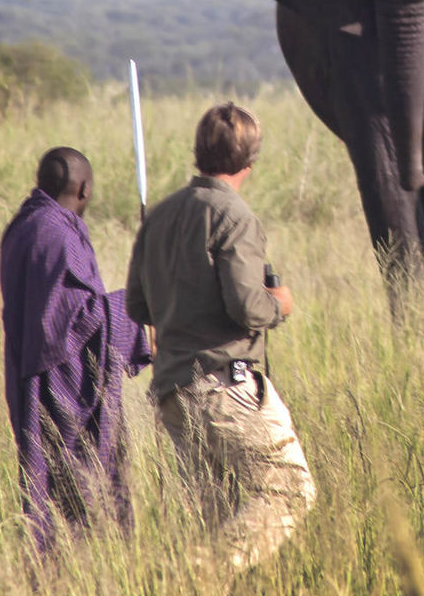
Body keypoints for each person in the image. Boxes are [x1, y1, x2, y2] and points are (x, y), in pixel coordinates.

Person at [125, 102, 315, 574]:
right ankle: (196, 571)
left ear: (197, 152)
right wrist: (282, 304)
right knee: (287, 490)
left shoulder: (160, 217)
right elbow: (248, 307)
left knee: (214, 514)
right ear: (250, 161)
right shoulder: (234, 216)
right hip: (225, 388)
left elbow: (138, 307)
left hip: (174, 392)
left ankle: (198, 573)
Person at [0, 146, 151, 554]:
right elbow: (76, 323)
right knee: (78, 501)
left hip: (29, 378)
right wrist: (138, 309)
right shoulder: (56, 234)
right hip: (62, 390)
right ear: (83, 188)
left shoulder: (23, 225)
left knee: (52, 493)